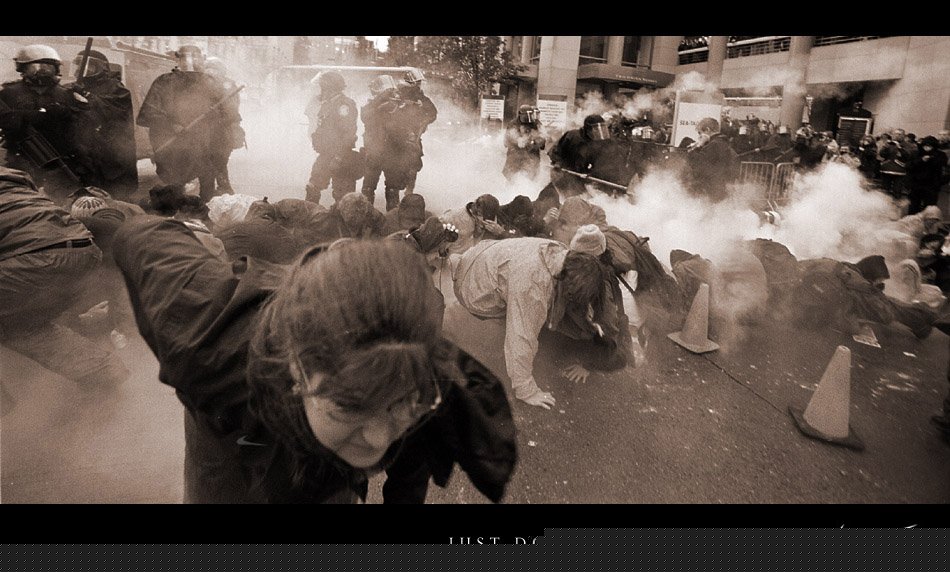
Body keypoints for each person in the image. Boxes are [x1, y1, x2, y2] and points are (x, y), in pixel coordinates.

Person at [112, 220, 517, 503]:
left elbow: (410, 466)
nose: (379, 439)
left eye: (400, 405)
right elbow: (140, 235)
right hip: (230, 427)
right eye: (351, 406)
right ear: (297, 366)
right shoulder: (207, 341)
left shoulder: (418, 374)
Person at [450, 227, 632, 410]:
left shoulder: (561, 253)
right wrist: (526, 390)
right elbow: (521, 337)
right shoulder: (533, 288)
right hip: (471, 289)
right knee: (527, 320)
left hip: (478, 255)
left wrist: (590, 324)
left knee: (538, 310)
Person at [0, 166, 128, 403]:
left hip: (36, 256)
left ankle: (5, 411)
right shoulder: (9, 176)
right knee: (20, 325)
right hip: (82, 245)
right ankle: (103, 371)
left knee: (16, 326)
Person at [137, 45, 242, 203]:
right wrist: (172, 125)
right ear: (178, 60)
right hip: (172, 147)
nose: (190, 62)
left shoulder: (210, 82)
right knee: (174, 186)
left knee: (207, 183)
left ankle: (205, 210)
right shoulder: (164, 82)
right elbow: (148, 113)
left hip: (204, 145)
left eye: (195, 58)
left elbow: (229, 114)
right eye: (185, 58)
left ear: (201, 60)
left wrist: (215, 115)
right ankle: (174, 210)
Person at [0, 44, 94, 199]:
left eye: (47, 67)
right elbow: (5, 120)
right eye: (36, 67)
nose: (42, 71)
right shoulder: (10, 93)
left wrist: (73, 111)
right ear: (23, 68)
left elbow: (81, 128)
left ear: (56, 69)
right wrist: (31, 116)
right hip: (21, 157)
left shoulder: (66, 94)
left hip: (57, 156)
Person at [65, 49, 138, 200]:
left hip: (109, 149)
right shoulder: (72, 87)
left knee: (113, 193)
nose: (80, 71)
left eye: (88, 67)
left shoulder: (116, 88)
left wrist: (87, 96)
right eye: (78, 66)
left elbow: (112, 111)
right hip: (83, 148)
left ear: (100, 68)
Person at [305, 70, 361, 205]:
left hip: (341, 156)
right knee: (313, 187)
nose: (321, 91)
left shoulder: (344, 105)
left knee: (343, 196)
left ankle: (342, 218)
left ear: (330, 88)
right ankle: (310, 216)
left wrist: (339, 157)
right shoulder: (327, 104)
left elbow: (349, 133)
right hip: (326, 154)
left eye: (323, 87)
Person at [201, 56, 245, 196]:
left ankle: (221, 193)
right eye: (208, 69)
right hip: (206, 133)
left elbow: (232, 111)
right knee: (211, 166)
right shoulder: (201, 85)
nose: (211, 73)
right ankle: (210, 194)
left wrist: (215, 116)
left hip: (223, 134)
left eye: (214, 69)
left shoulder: (228, 86)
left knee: (218, 164)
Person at [390, 69, 437, 197]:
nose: (419, 85)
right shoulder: (397, 96)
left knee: (413, 166)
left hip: (413, 138)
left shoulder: (420, 98)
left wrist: (423, 121)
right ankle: (395, 196)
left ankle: (408, 194)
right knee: (396, 167)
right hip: (397, 138)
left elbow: (433, 113)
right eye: (417, 82)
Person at [360, 74, 400, 208]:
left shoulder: (396, 104)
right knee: (368, 188)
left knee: (393, 189)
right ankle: (364, 215)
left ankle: (393, 216)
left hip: (392, 152)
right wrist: (379, 104)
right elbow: (365, 117)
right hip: (374, 152)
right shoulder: (370, 105)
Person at [547, 114, 611, 197]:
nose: (599, 132)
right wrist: (557, 163)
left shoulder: (597, 143)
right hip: (562, 172)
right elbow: (555, 150)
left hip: (578, 175)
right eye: (596, 129)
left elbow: (596, 161)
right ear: (588, 130)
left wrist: (590, 173)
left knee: (586, 197)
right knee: (567, 196)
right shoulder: (572, 136)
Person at [685, 117, 740, 203]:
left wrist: (698, 146)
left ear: (707, 130)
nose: (699, 137)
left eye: (700, 133)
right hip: (722, 188)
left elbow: (697, 164)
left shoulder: (713, 145)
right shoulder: (725, 143)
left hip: (709, 190)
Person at [439, 193, 509, 255]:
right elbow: (436, 237)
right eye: (485, 219)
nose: (487, 223)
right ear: (478, 212)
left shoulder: (488, 224)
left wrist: (500, 232)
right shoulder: (453, 217)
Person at [906, 136, 948, 216]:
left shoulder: (940, 155)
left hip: (932, 185)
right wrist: (921, 160)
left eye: (930, 146)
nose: (927, 148)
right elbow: (908, 166)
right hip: (916, 184)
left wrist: (940, 182)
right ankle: (912, 220)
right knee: (914, 206)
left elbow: (943, 167)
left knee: (930, 207)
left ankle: (928, 222)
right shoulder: (916, 153)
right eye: (925, 145)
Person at [502, 105, 546, 181]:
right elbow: (507, 139)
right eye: (526, 115)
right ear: (520, 114)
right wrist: (518, 140)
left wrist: (537, 141)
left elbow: (543, 137)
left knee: (531, 177)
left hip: (532, 155)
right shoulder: (513, 124)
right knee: (512, 176)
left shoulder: (536, 123)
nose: (528, 118)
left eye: (530, 114)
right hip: (515, 155)